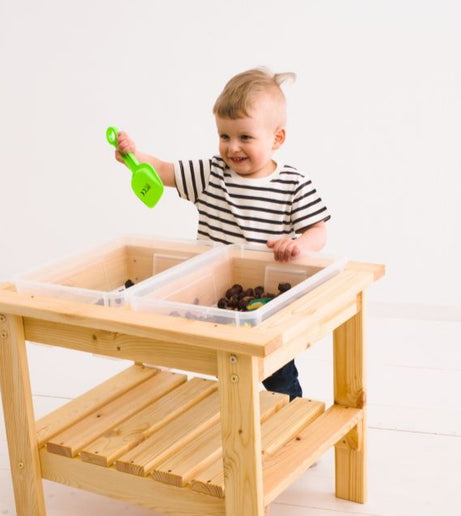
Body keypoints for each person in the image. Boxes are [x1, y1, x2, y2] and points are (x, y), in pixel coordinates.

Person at [113, 67, 330, 399]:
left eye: (245, 137)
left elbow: (318, 229)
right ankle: (225, 415)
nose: (232, 148)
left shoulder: (292, 184)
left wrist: (299, 245)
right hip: (213, 298)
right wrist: (132, 154)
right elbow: (163, 171)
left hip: (265, 303)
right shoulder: (211, 173)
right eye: (224, 136)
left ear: (277, 138)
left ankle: (291, 421)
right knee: (216, 366)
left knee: (277, 373)